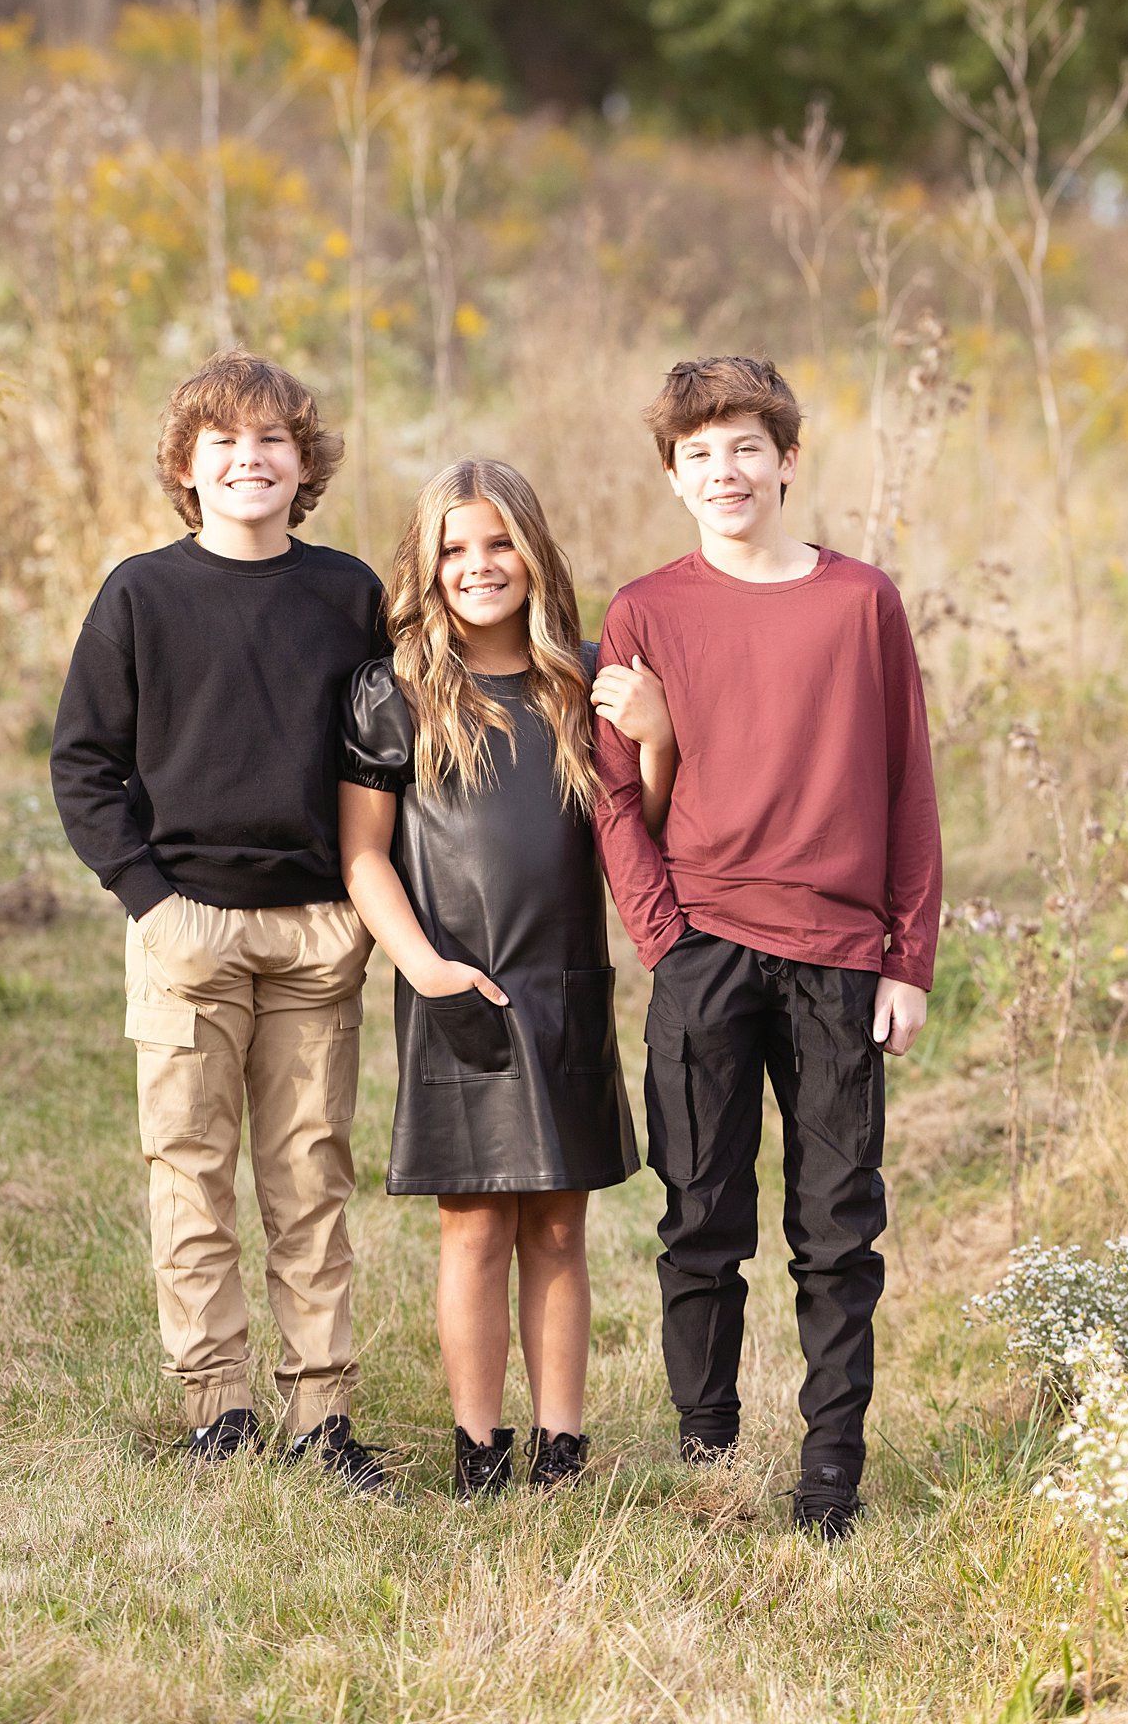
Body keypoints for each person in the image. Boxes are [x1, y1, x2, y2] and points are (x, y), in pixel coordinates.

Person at [590, 356, 941, 1541]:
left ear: (787, 459)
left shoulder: (861, 603)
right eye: (699, 453)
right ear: (675, 476)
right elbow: (609, 796)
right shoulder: (645, 611)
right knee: (700, 1212)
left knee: (838, 1228)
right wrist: (662, 938)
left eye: (745, 446)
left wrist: (909, 955)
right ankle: (709, 1445)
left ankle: (829, 1471)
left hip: (840, 952)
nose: (724, 470)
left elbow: (909, 788)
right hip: (705, 948)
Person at [50, 350, 390, 1488]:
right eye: (223, 442)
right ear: (188, 468)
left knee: (311, 1174)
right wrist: (149, 898)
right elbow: (84, 762)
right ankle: (218, 1406)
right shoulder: (141, 594)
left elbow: (387, 752)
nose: (250, 458)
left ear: (305, 466)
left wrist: (362, 897)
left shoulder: (346, 595)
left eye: (273, 441)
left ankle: (321, 1415)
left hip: (313, 931)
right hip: (186, 927)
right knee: (189, 1172)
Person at [338, 459, 672, 1497]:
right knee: (477, 1218)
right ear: (426, 567)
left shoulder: (581, 680)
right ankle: (478, 1446)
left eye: (498, 544)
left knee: (561, 1220)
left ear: (533, 552)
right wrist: (425, 965)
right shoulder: (393, 691)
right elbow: (362, 855)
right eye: (454, 548)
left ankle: (559, 1448)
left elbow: (640, 837)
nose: (479, 566)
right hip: (456, 987)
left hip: (564, 982)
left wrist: (655, 739)